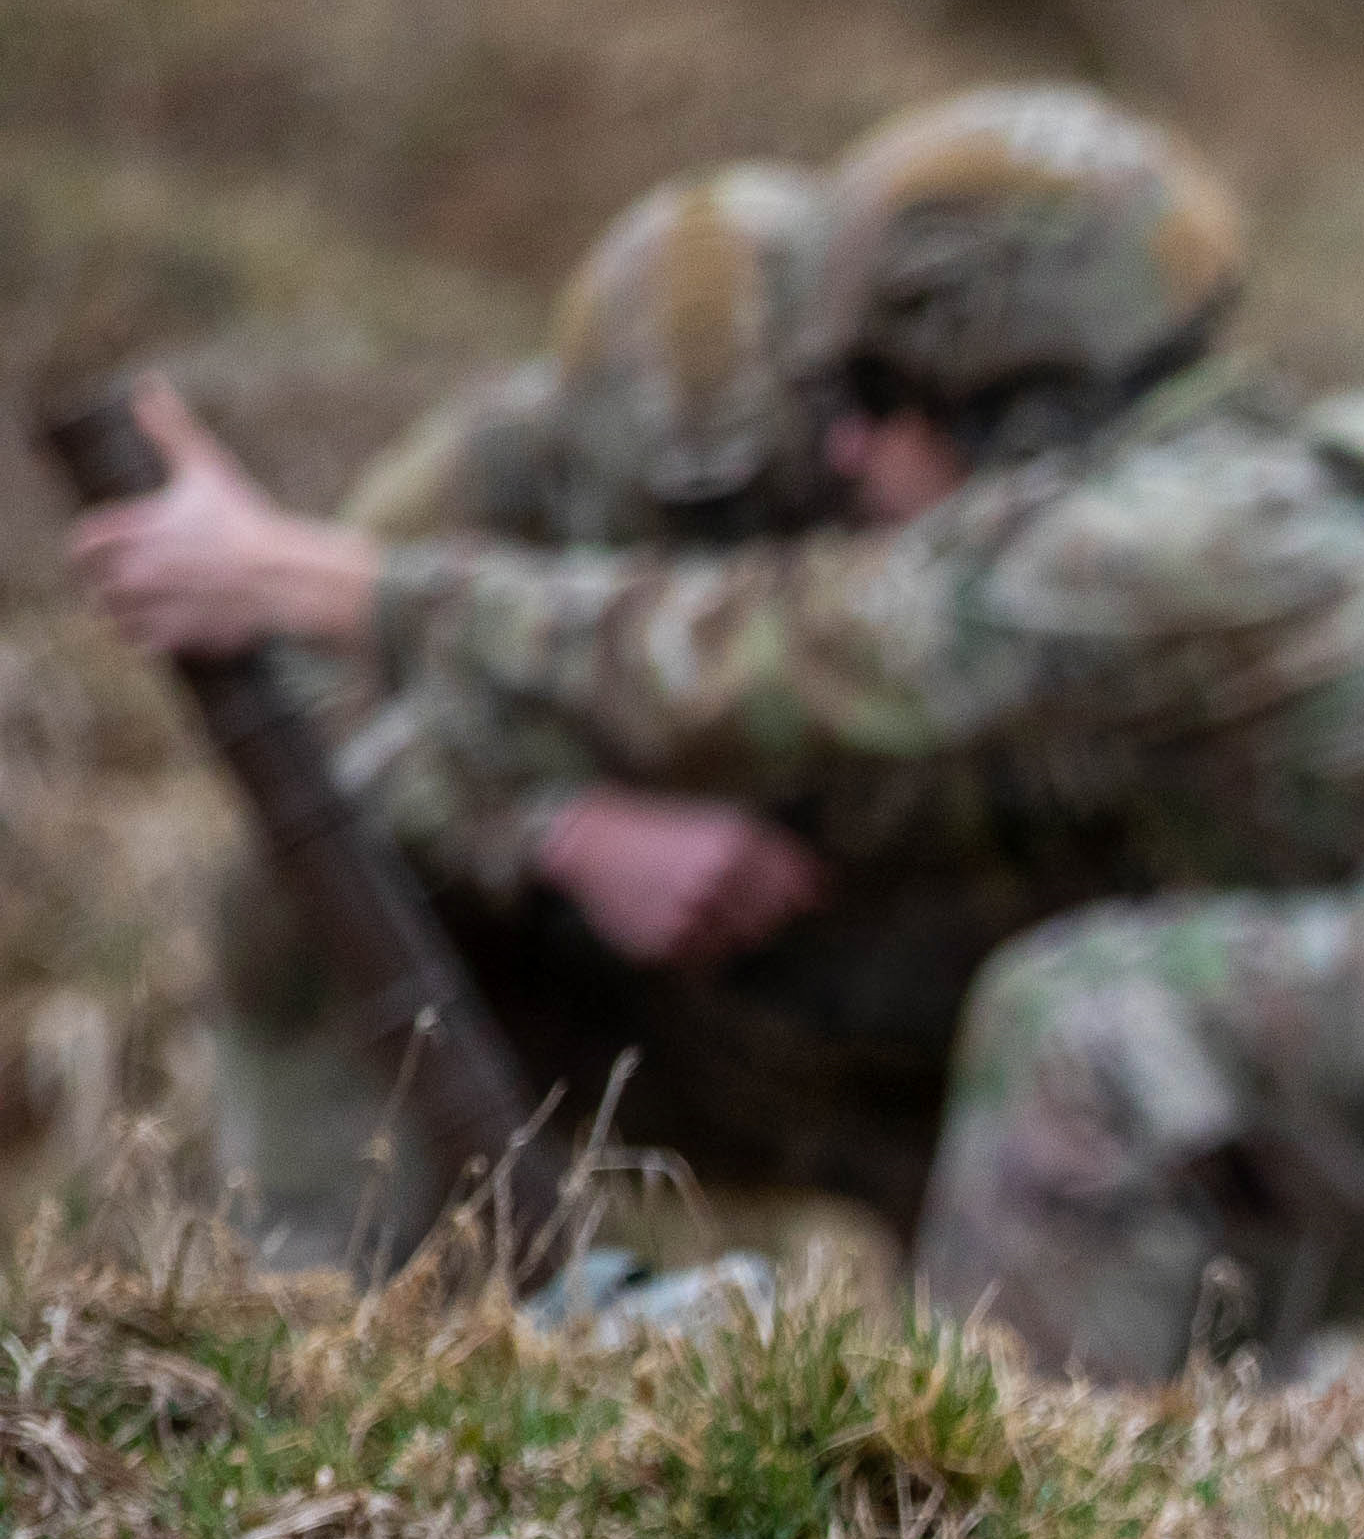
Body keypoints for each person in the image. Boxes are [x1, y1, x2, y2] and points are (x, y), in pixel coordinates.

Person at [72, 85, 1364, 1479]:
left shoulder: (1150, 544)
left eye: (871, 408)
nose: (845, 467)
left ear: (996, 386)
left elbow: (795, 656)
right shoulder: (1266, 487)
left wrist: (315, 580)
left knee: (1097, 1020)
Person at [206, 164, 1068, 1261]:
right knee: (297, 882)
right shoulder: (502, 463)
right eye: (677, 507)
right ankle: (325, 1285)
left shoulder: (953, 447)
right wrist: (557, 829)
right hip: (635, 1005)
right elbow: (303, 708)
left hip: (921, 989)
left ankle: (1090, 1329)